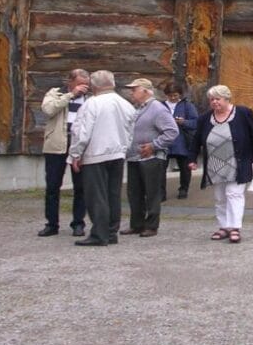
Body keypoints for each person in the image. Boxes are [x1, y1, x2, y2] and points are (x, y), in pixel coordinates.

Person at [68, 70, 136, 246]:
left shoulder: (92, 104)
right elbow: (130, 131)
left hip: (95, 154)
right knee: (113, 194)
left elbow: (82, 132)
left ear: (94, 86)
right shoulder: (125, 104)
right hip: (118, 153)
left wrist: (75, 153)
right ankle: (111, 232)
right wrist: (124, 149)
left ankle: (100, 233)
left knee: (96, 196)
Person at [190, 85, 253, 244]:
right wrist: (192, 159)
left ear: (227, 99)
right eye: (211, 100)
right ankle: (224, 227)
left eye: (217, 99)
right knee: (220, 197)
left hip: (238, 162)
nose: (214, 102)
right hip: (215, 164)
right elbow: (196, 139)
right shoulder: (204, 118)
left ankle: (235, 227)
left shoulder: (243, 113)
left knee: (234, 194)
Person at [122, 78, 178, 238]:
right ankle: (137, 224)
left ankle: (152, 225)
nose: (131, 93)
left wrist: (154, 145)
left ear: (146, 91)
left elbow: (172, 131)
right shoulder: (137, 108)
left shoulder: (158, 108)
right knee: (134, 192)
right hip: (134, 156)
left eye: (135, 90)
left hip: (151, 157)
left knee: (152, 192)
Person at [37, 69, 89, 238]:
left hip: (79, 146)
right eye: (80, 84)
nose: (84, 87)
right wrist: (70, 95)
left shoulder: (90, 99)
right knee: (53, 186)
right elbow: (48, 110)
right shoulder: (55, 93)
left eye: (86, 84)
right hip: (56, 145)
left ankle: (78, 224)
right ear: (70, 81)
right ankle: (51, 224)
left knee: (81, 187)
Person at [162, 82, 198, 199]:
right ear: (166, 95)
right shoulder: (161, 106)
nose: (173, 98)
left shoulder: (187, 105)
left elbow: (196, 122)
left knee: (185, 167)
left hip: (182, 141)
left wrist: (184, 122)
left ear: (180, 94)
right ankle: (161, 192)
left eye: (175, 95)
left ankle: (183, 189)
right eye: (170, 95)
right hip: (164, 141)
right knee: (160, 169)